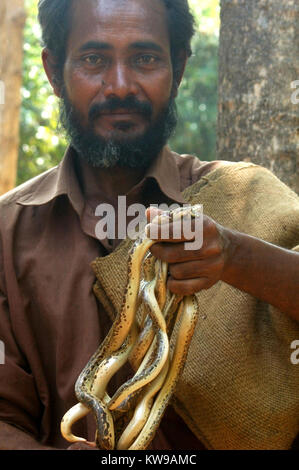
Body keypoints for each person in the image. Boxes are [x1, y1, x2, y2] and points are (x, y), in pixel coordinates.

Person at [0, 0, 298, 451]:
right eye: (94, 59)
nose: (120, 86)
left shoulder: (244, 195)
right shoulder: (7, 234)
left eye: (145, 59)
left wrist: (236, 257)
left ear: (178, 68)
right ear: (53, 70)